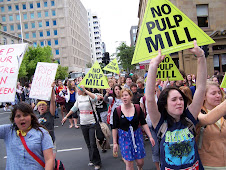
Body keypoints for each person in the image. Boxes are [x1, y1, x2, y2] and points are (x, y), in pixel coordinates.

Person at [146, 40, 207, 169]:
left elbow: (201, 88)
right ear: (165, 104)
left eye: (180, 99)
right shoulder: (160, 122)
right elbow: (150, 98)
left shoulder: (190, 117)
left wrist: (201, 57)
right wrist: (153, 66)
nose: (179, 102)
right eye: (174, 100)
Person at [0, 102, 54, 169]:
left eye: (25, 115)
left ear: (31, 117)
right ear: (14, 119)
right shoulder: (8, 131)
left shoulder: (42, 133)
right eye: (18, 116)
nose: (22, 118)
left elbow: (49, 159)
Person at [112, 88, 155, 170]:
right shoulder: (117, 111)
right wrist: (114, 143)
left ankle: (139, 167)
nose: (124, 97)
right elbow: (114, 128)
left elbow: (143, 123)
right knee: (129, 164)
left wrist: (150, 136)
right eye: (122, 96)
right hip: (124, 138)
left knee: (140, 162)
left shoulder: (137, 108)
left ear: (130, 96)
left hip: (137, 136)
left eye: (126, 95)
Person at [62, 85, 101, 170]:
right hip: (83, 123)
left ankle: (97, 162)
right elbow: (74, 108)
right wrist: (66, 116)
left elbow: (95, 98)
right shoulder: (79, 98)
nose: (77, 91)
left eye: (78, 90)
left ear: (82, 90)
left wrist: (85, 91)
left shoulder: (89, 96)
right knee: (88, 144)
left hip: (92, 123)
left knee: (93, 144)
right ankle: (92, 159)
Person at [196, 81, 226, 169]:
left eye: (219, 93)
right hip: (207, 164)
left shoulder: (224, 115)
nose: (218, 96)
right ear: (204, 96)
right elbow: (208, 119)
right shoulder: (198, 113)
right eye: (213, 93)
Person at [37, 82, 56, 155]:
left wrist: (52, 90)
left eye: (43, 105)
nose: (42, 107)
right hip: (41, 141)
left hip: (51, 139)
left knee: (52, 159)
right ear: (37, 108)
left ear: (47, 107)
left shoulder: (50, 114)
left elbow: (53, 102)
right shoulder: (36, 118)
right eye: (40, 106)